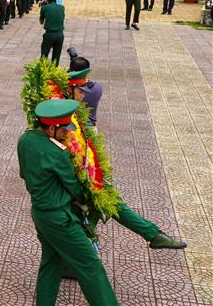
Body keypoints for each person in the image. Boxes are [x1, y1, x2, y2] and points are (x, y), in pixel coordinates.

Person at [66, 60, 187, 251]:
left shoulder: (74, 112)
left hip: (87, 175)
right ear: (70, 90)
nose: (83, 94)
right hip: (76, 182)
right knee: (109, 207)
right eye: (80, 91)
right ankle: (153, 235)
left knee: (103, 209)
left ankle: (152, 235)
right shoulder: (65, 118)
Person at [18, 99, 119, 306]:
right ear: (52, 128)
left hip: (40, 214)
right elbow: (74, 188)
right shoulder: (58, 153)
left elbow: (23, 174)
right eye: (64, 129)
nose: (68, 133)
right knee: (90, 264)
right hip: (60, 218)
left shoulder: (25, 140)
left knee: (51, 263)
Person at [39, 0, 65, 65]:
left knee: (44, 54)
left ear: (47, 0)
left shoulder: (44, 7)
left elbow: (41, 22)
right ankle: (54, 70)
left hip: (49, 34)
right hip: (60, 34)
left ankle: (43, 69)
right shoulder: (62, 7)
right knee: (56, 55)